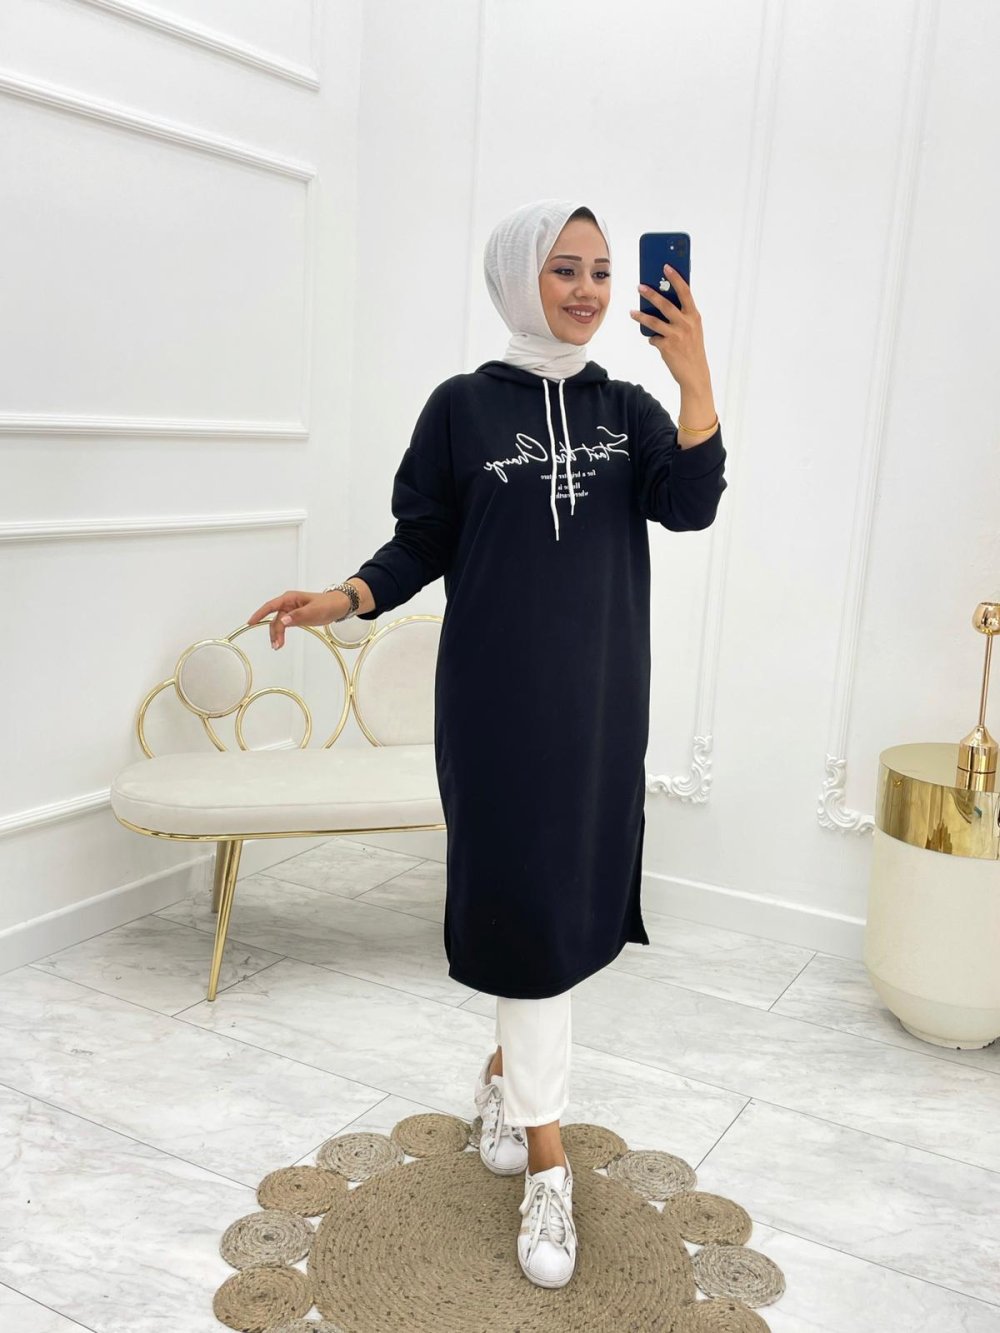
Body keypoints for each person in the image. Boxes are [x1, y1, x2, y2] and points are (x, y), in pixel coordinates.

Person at [247, 198, 728, 1290]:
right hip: (497, 706)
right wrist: (344, 596)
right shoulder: (461, 407)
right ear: (518, 278)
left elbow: (689, 506)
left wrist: (694, 377)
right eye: (565, 268)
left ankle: (505, 1080)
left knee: (563, 903)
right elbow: (423, 537)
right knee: (526, 905)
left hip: (600, 701)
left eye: (601, 270)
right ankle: (548, 1163)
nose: (589, 290)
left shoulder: (630, 409)